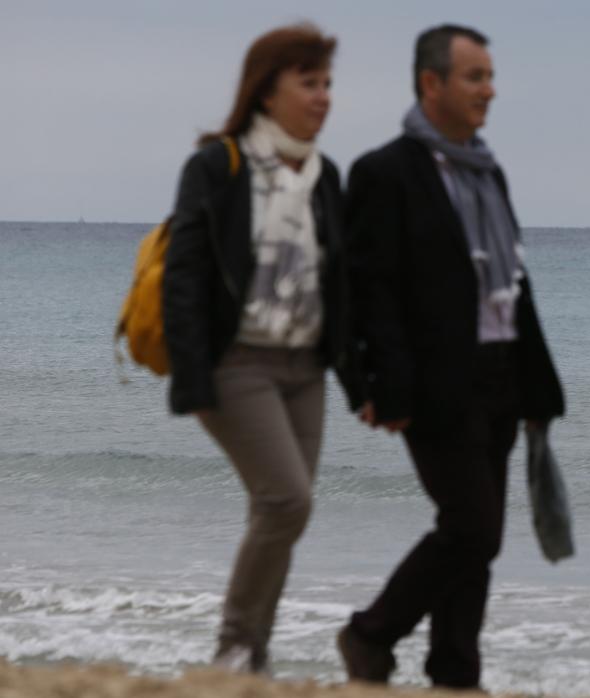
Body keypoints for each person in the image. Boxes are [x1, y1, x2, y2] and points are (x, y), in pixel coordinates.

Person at [335, 24, 565, 690]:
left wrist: (538, 385)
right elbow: (365, 289)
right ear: (431, 83)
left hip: (501, 372)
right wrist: (370, 384)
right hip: (436, 380)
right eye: (475, 77)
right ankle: (370, 634)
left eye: (490, 76)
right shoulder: (385, 171)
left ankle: (454, 671)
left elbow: (512, 285)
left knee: (476, 534)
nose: (489, 90)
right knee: (472, 528)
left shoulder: (488, 170)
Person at [162, 24, 361, 673]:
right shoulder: (218, 166)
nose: (324, 97)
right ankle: (232, 646)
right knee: (287, 501)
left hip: (306, 368)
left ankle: (254, 656)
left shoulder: (325, 174)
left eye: (328, 83)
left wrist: (365, 380)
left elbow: (343, 282)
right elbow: (186, 276)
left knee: (282, 513)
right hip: (237, 363)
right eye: (310, 83)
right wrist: (193, 379)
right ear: (267, 89)